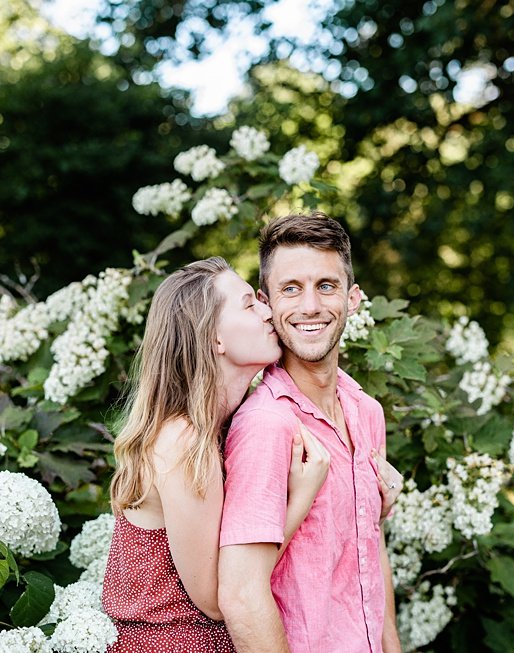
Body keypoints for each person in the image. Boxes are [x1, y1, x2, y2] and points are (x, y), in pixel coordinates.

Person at [101, 256, 332, 652]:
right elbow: (214, 598)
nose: (267, 311)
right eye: (248, 304)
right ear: (214, 339)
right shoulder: (183, 441)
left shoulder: (221, 430)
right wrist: (302, 497)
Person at [218, 211, 404, 653]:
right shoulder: (268, 424)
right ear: (266, 302)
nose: (310, 307)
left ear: (353, 297)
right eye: (290, 289)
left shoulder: (367, 413)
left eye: (326, 286)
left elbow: (371, 554)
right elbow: (241, 596)